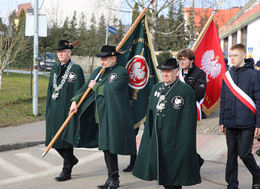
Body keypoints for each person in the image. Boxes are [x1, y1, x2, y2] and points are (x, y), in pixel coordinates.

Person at [68, 45, 136, 189]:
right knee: (106, 147)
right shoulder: (99, 72)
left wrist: (96, 87)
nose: (102, 62)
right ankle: (111, 178)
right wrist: (75, 100)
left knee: (111, 146)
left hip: (113, 115)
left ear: (113, 58)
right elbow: (87, 86)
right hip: (100, 115)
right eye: (101, 59)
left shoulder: (121, 71)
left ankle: (114, 179)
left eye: (105, 59)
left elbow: (112, 90)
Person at [132, 58, 201, 189]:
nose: (165, 74)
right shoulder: (156, 88)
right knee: (162, 174)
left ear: (176, 71)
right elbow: (151, 115)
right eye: (163, 72)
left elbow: (189, 120)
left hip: (175, 140)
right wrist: (149, 137)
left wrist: (186, 143)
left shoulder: (185, 90)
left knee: (174, 177)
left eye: (168, 71)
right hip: (158, 139)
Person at [219, 43, 260, 189]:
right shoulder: (227, 76)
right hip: (230, 122)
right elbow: (223, 99)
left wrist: (258, 123)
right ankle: (232, 184)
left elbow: (259, 100)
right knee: (231, 156)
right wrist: (221, 120)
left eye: (234, 55)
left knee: (244, 154)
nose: (231, 59)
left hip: (247, 122)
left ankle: (257, 175)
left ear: (243, 56)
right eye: (229, 56)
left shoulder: (254, 75)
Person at [45, 40, 85, 182]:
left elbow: (80, 90)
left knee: (65, 140)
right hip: (54, 110)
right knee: (52, 139)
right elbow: (50, 90)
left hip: (67, 110)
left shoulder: (76, 69)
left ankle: (66, 170)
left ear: (70, 52)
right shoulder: (55, 69)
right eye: (59, 52)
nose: (60, 54)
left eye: (63, 51)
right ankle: (72, 160)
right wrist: (48, 110)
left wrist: (75, 104)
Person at [176, 48, 206, 170]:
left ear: (191, 60)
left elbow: (199, 93)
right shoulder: (176, 72)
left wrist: (180, 95)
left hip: (190, 111)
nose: (181, 62)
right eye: (180, 60)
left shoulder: (199, 73)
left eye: (184, 59)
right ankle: (195, 160)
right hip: (177, 110)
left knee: (187, 139)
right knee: (179, 139)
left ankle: (195, 163)